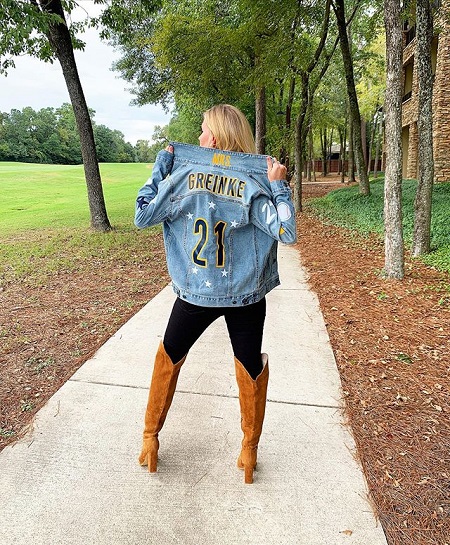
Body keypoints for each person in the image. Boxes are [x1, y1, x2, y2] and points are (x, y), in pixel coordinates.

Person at [134, 104, 296, 484]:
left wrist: (161, 166)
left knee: (169, 357)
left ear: (218, 139)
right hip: (246, 297)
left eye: (204, 131)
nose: (200, 138)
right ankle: (249, 452)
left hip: (195, 294)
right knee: (249, 367)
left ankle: (150, 440)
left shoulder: (181, 176)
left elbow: (142, 215)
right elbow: (286, 232)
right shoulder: (255, 185)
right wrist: (279, 185)